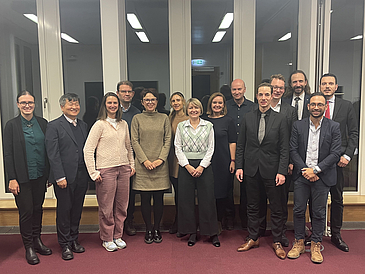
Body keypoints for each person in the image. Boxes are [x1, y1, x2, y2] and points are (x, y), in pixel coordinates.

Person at [236, 83, 289, 260]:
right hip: (251, 169)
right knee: (252, 206)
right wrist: (239, 166)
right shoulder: (247, 118)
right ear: (256, 96)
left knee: (276, 207)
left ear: (272, 96)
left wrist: (282, 171)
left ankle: (277, 240)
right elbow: (241, 144)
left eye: (267, 94)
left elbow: (284, 148)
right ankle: (253, 237)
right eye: (261, 95)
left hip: (273, 171)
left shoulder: (280, 119)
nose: (264, 98)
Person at [287, 92, 341, 264]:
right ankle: (299, 242)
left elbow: (335, 153)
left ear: (325, 107)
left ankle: (316, 244)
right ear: (308, 106)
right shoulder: (298, 125)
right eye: (313, 104)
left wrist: (315, 170)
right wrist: (305, 170)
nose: (316, 107)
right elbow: (293, 150)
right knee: (298, 210)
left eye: (320, 104)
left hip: (322, 176)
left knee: (318, 212)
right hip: (302, 175)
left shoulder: (334, 126)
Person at [4, 91, 52, 265]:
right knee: (26, 212)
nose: (27, 105)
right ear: (18, 104)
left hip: (40, 175)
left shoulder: (43, 123)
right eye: (23, 102)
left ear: (35, 104)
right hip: (22, 178)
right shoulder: (11, 125)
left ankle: (37, 241)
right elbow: (8, 154)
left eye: (30, 102)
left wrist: (49, 174)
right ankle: (28, 247)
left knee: (38, 209)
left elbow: (48, 150)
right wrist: (12, 178)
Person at [84, 92, 135, 252]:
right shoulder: (99, 124)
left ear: (119, 105)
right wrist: (93, 172)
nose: (112, 105)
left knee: (121, 205)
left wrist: (132, 164)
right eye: (109, 103)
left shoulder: (123, 124)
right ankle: (107, 238)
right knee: (106, 207)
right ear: (104, 105)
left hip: (124, 169)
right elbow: (88, 149)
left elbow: (129, 146)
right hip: (106, 170)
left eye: (115, 103)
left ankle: (117, 235)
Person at [45, 93, 88, 260]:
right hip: (64, 177)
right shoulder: (54, 126)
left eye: (76, 104)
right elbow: (52, 154)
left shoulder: (83, 125)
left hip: (81, 175)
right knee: (64, 211)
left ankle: (74, 240)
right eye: (70, 105)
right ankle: (64, 244)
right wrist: (59, 176)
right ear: (62, 107)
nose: (74, 107)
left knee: (77, 209)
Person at [319, 73, 358, 252]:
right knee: (316, 199)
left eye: (330, 84)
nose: (327, 86)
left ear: (336, 87)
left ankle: (336, 234)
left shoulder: (346, 106)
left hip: (338, 161)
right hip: (318, 161)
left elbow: (354, 133)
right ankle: (316, 234)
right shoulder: (314, 104)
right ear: (320, 86)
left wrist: (348, 155)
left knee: (337, 198)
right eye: (324, 83)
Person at [175, 98, 220, 247]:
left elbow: (211, 148)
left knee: (207, 200)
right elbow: (177, 147)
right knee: (186, 201)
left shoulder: (208, 126)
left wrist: (201, 166)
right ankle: (192, 233)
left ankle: (211, 233)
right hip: (186, 166)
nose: (193, 110)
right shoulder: (181, 126)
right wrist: (187, 166)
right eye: (190, 108)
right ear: (187, 110)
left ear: (201, 110)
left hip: (204, 167)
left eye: (196, 108)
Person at [131, 89, 171, 244]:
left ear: (157, 101)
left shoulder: (164, 118)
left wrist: (160, 159)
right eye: (147, 100)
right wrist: (145, 161)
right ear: (142, 102)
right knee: (145, 199)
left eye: (153, 100)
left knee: (159, 199)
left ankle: (157, 228)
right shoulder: (137, 118)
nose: (150, 102)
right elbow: (134, 141)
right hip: (143, 166)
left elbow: (168, 140)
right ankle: (148, 229)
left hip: (160, 165)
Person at [270, 74, 298, 247]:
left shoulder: (290, 110)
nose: (278, 90)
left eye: (281, 87)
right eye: (275, 87)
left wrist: (290, 161)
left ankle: (280, 233)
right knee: (259, 200)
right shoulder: (259, 108)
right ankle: (257, 232)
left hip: (283, 161)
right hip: (263, 162)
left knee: (281, 201)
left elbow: (293, 138)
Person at [226, 79, 255, 230]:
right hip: (228, 153)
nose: (236, 92)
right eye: (234, 90)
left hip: (247, 152)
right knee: (227, 187)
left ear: (245, 89)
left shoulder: (253, 107)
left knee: (246, 188)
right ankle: (229, 218)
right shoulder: (225, 106)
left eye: (239, 89)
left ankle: (245, 220)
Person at [205, 92, 237, 231]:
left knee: (224, 191)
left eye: (220, 103)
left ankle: (222, 219)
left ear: (224, 105)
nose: (217, 105)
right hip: (207, 161)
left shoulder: (228, 120)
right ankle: (209, 221)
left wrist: (233, 160)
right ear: (210, 104)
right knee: (208, 191)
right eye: (214, 103)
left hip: (224, 160)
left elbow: (232, 142)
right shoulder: (203, 120)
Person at [116, 80, 141, 236]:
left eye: (129, 91)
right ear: (118, 93)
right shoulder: (110, 111)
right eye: (123, 91)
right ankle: (113, 223)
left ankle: (128, 221)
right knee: (112, 194)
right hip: (112, 160)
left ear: (133, 94)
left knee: (129, 194)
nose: (126, 94)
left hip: (130, 159)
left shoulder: (137, 113)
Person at [167, 91, 188, 235]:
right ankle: (178, 221)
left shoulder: (188, 118)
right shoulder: (169, 118)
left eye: (178, 100)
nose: (176, 103)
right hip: (172, 160)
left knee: (185, 194)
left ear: (183, 102)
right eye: (173, 101)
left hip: (185, 160)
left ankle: (183, 224)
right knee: (178, 194)